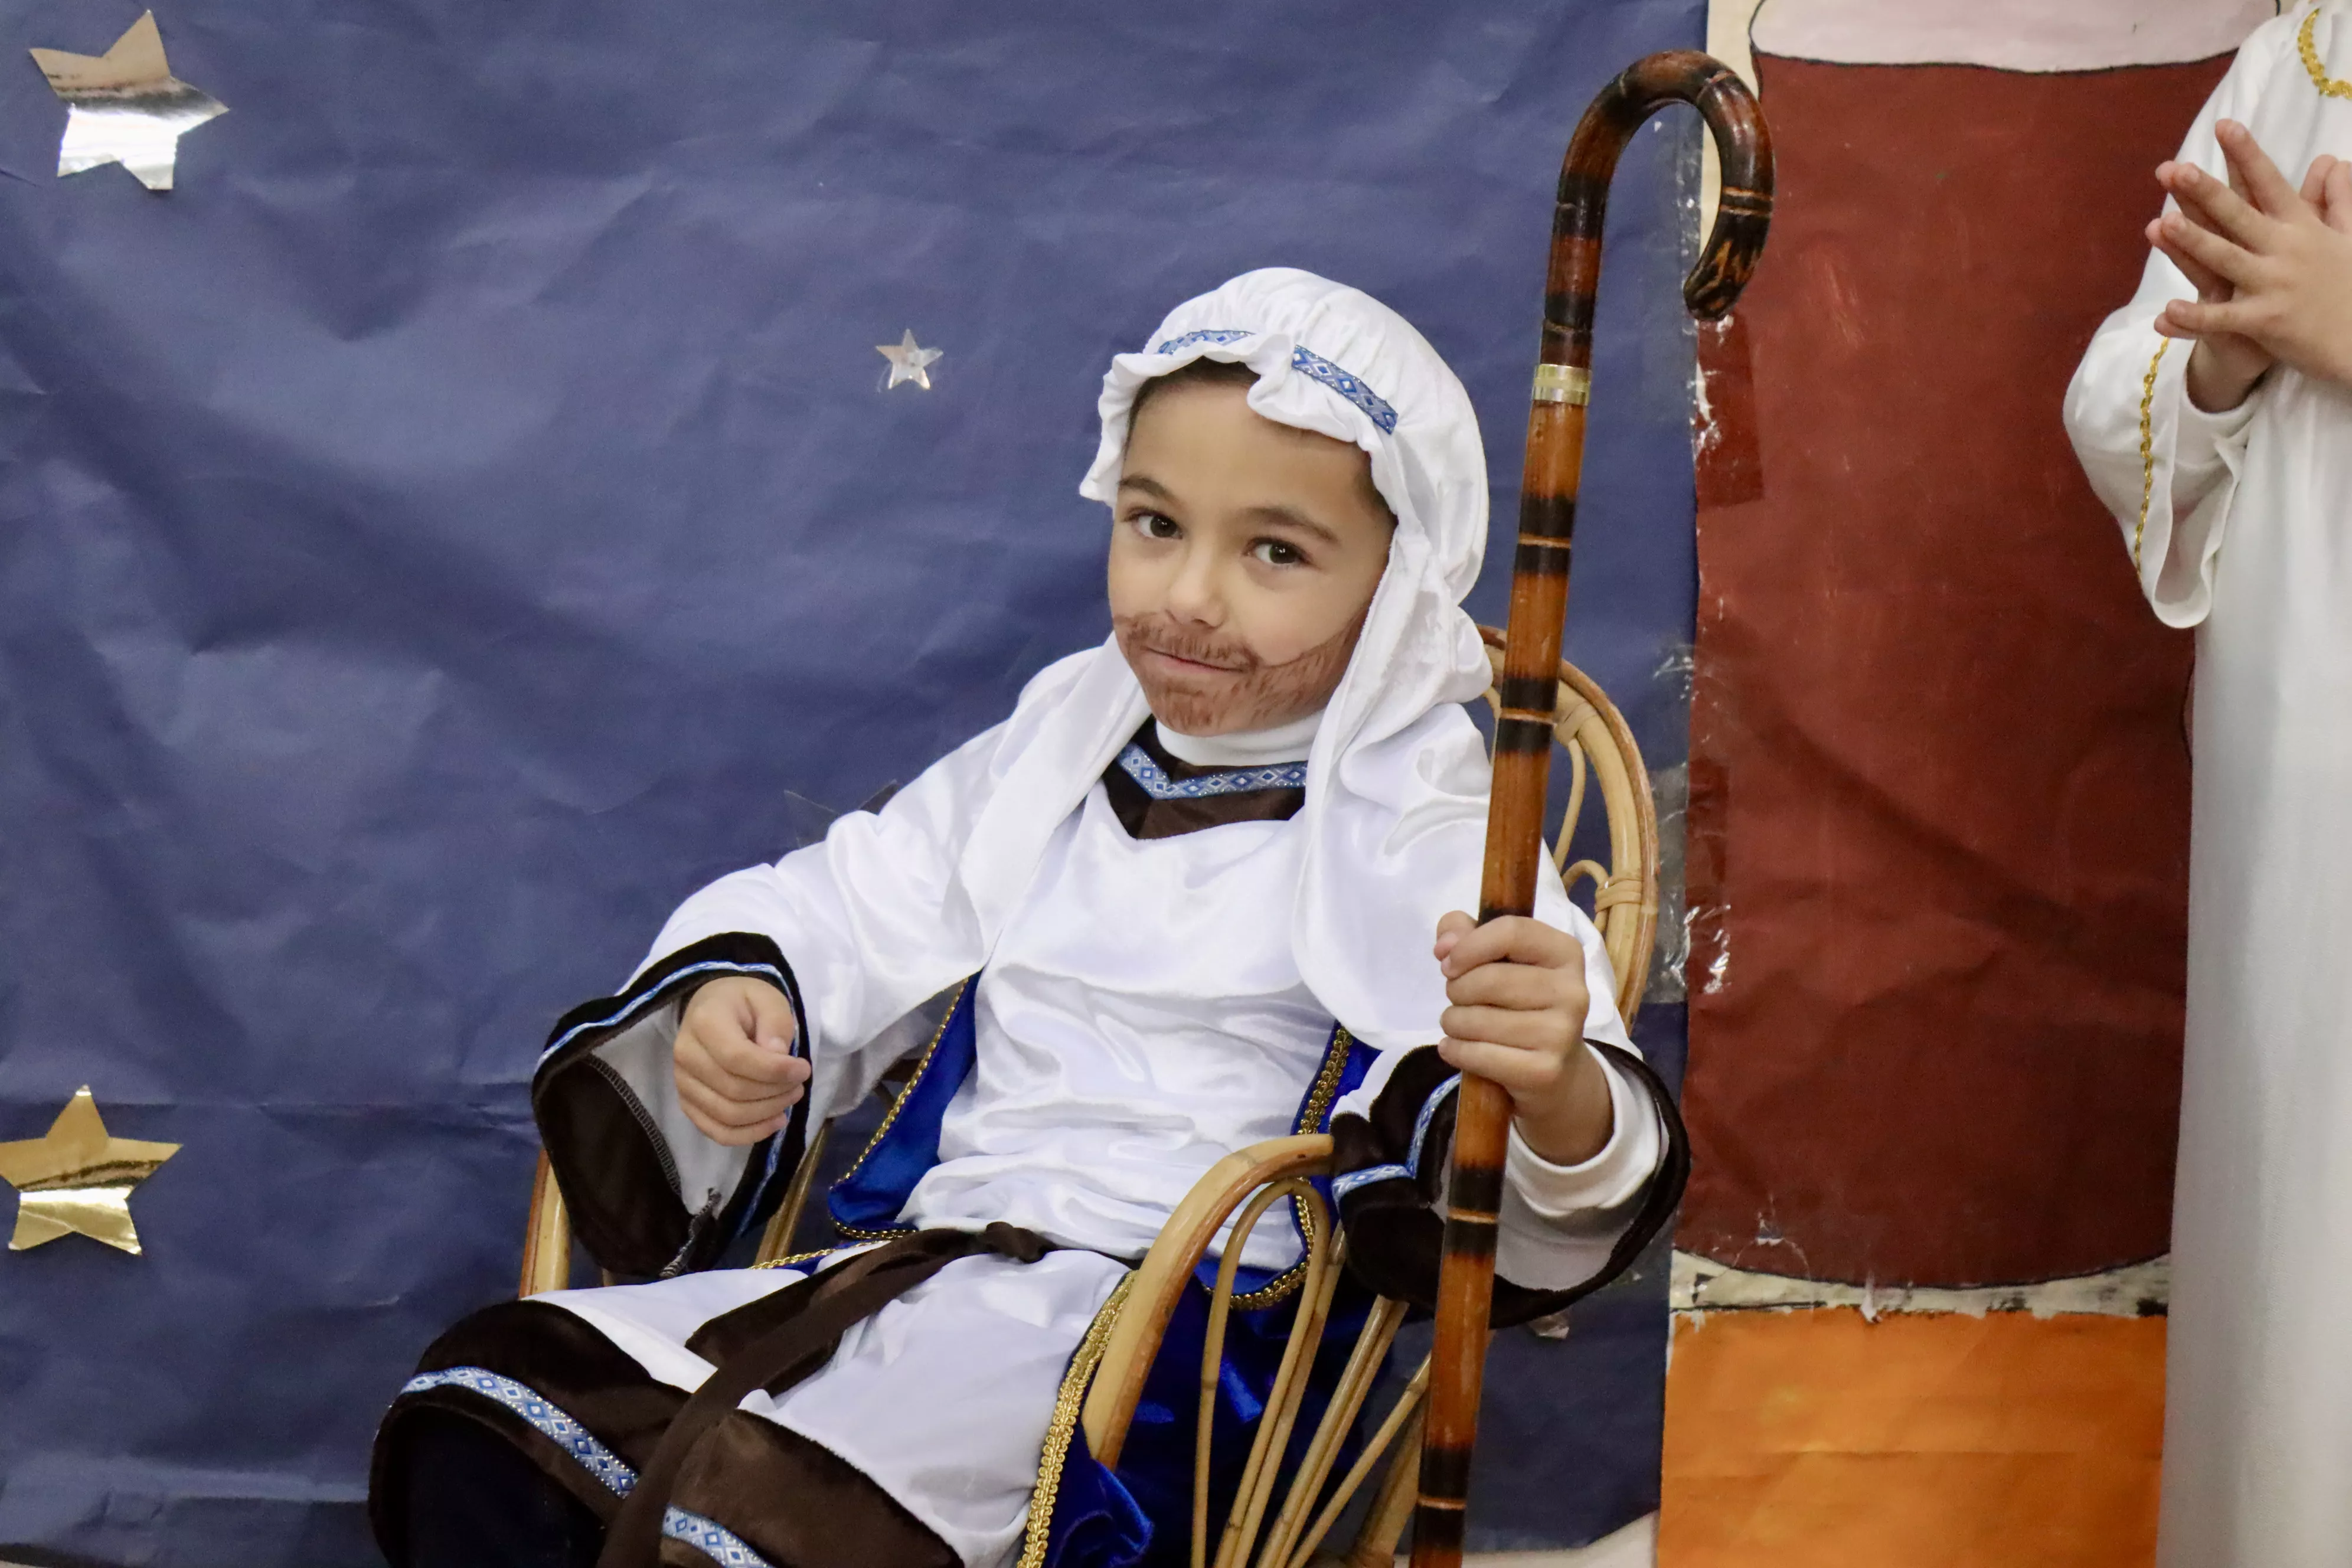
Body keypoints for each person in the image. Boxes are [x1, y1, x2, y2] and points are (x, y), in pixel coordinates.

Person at [368, 269, 1685, 1568]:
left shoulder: (1433, 814)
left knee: (765, 1522)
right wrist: (747, 1001)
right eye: (1155, 523)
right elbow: (860, 891)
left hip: (1164, 1335)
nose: (1189, 597)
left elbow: (1529, 1115)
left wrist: (1553, 1081)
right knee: (495, 1408)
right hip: (928, 1276)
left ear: (1396, 582)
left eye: (1274, 550)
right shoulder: (1068, 733)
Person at [2062, 5, 2352, 1563]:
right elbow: (2121, 390)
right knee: (2303, 1307)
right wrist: (2225, 357)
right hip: (2304, 827)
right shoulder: (2309, 55)